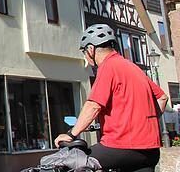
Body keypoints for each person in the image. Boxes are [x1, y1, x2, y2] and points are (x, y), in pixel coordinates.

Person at [54, 24, 169, 172]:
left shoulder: (108, 66)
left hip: (120, 147)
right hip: (150, 151)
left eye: (84, 52)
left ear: (90, 49)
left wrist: (71, 134)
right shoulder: (133, 68)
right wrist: (143, 121)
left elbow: (93, 106)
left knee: (67, 163)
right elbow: (163, 98)